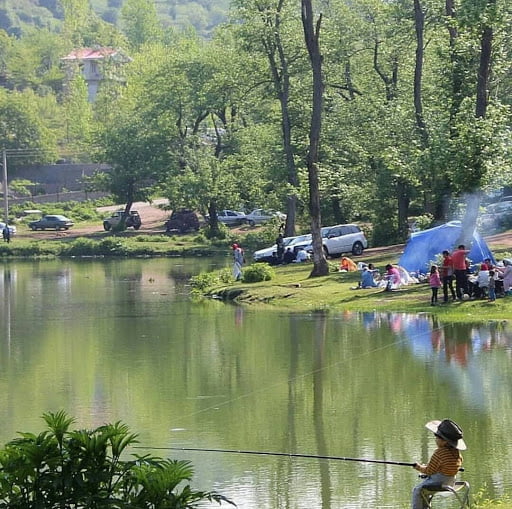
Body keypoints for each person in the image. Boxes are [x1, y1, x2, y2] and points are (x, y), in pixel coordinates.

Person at [412, 419, 466, 509]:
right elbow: (451, 465)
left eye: (437, 437)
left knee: (417, 490)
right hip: (451, 482)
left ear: (444, 441)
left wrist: (419, 467)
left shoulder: (439, 453)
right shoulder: (456, 452)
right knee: (425, 490)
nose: (435, 439)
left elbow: (429, 471)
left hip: (439, 483)